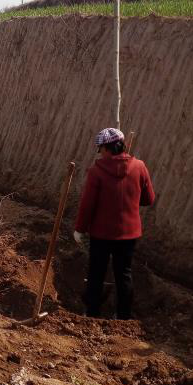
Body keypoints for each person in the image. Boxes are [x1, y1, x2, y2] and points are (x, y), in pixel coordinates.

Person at [73, 128, 155, 320]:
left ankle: (92, 312)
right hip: (129, 233)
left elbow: (88, 205)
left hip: (102, 233)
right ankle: (123, 315)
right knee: (123, 273)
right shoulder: (139, 166)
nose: (100, 153)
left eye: (100, 149)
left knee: (96, 272)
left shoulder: (97, 171)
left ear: (107, 148)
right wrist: (131, 199)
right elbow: (149, 199)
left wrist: (80, 229)